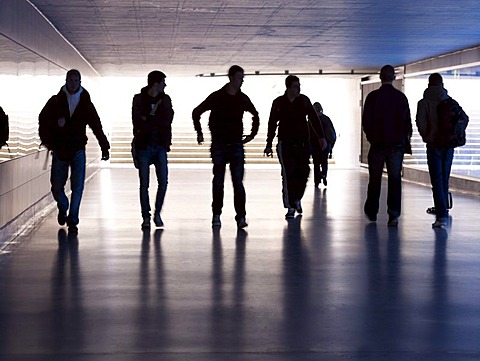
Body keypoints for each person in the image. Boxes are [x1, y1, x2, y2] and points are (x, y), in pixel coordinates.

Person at [39, 69, 110, 234]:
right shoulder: (55, 101)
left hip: (78, 149)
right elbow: (43, 120)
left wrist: (104, 145)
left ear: (80, 82)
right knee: (57, 187)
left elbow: (96, 125)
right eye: (71, 80)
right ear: (66, 81)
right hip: (60, 149)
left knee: (78, 187)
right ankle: (63, 207)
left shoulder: (85, 102)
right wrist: (50, 138)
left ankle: (73, 219)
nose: (73, 83)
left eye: (76, 80)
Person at [192, 65, 259, 229]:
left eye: (242, 77)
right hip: (221, 145)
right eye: (239, 77)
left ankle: (240, 216)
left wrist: (252, 135)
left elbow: (255, 115)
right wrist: (199, 132)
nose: (242, 80)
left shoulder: (241, 98)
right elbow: (197, 111)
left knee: (236, 182)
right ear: (231, 78)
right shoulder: (217, 97)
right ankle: (217, 214)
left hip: (234, 144)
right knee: (220, 181)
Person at [264, 75, 327, 219]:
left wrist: (321, 137)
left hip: (303, 145)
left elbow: (313, 118)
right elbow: (272, 123)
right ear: (288, 88)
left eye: (299, 86)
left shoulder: (304, 101)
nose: (298, 89)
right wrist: (268, 144)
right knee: (288, 175)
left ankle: (297, 198)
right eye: (295, 86)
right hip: (286, 145)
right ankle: (291, 206)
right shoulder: (279, 103)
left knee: (304, 172)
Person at [415, 73, 468, 228]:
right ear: (442, 84)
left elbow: (421, 122)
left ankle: (441, 215)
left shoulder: (423, 102)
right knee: (444, 178)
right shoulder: (450, 101)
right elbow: (464, 118)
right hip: (449, 145)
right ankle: (443, 208)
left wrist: (427, 136)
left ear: (429, 84)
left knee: (436, 180)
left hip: (434, 145)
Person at [362, 65, 412, 227]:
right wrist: (404, 140)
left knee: (374, 179)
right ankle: (393, 215)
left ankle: (372, 211)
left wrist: (372, 138)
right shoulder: (400, 98)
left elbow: (366, 122)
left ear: (380, 77)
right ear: (394, 78)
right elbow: (407, 123)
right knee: (395, 179)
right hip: (396, 146)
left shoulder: (372, 97)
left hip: (377, 145)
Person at [132, 70, 174, 230]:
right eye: (163, 82)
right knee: (144, 184)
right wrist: (155, 119)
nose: (165, 85)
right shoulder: (139, 99)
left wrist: (148, 117)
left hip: (160, 146)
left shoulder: (165, 100)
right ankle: (146, 216)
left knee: (163, 182)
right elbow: (137, 121)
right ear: (156, 84)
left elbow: (168, 119)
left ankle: (156, 213)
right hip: (144, 146)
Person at [312, 102, 336, 187]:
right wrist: (331, 146)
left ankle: (316, 181)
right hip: (325, 144)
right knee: (324, 162)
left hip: (315, 145)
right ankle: (324, 175)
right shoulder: (326, 119)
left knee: (316, 163)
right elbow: (332, 133)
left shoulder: (311, 120)